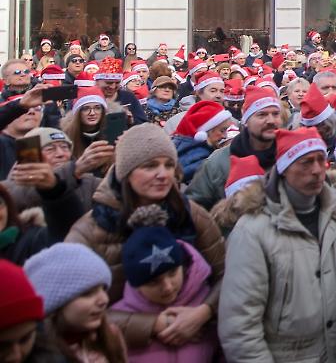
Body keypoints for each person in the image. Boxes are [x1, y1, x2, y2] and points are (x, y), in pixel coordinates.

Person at [65, 124, 225, 349]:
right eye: (150, 166)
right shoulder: (90, 230)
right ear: (126, 173)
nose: (163, 174)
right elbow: (72, 311)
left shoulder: (192, 214)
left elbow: (225, 276)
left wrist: (203, 312)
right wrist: (151, 325)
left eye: (169, 165)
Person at [219, 127, 336, 362]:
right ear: (284, 169)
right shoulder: (253, 230)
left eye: (320, 160)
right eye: (305, 162)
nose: (316, 170)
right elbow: (240, 326)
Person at [110, 205, 218, 363]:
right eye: (153, 282)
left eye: (173, 273)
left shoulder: (209, 301)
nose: (168, 287)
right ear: (136, 284)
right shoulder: (119, 319)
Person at [24, 242, 127, 363]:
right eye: (87, 293)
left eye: (103, 289)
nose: (104, 300)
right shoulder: (36, 355)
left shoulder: (110, 335)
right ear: (55, 306)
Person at [187, 86, 282, 210]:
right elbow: (194, 208)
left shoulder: (292, 156)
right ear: (246, 120)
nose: (271, 120)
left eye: (275, 114)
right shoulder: (217, 162)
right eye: (262, 115)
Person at [171, 101, 234, 184]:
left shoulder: (178, 146)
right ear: (205, 132)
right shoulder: (203, 160)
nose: (225, 136)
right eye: (222, 130)